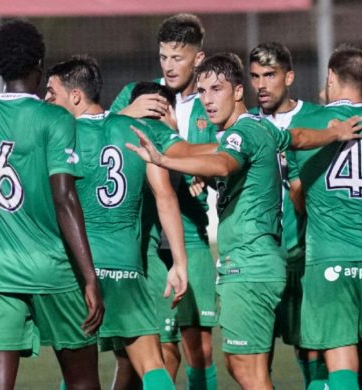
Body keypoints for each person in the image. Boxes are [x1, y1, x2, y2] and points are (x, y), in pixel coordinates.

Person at [126, 52, 362, 390]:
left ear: (238, 92)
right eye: (203, 91)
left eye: (217, 90)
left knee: (246, 370)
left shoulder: (243, 133)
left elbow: (223, 163)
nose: (208, 100)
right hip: (258, 262)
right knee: (247, 367)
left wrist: (163, 159)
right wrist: (332, 134)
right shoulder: (261, 126)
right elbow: (295, 138)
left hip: (249, 264)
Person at [0, 20, 103, 390]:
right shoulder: (55, 119)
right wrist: (89, 275)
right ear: (39, 62)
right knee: (83, 381)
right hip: (53, 269)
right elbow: (64, 197)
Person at [45, 56, 187, 390]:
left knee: (77, 370)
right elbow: (165, 195)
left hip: (80, 271)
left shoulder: (62, 135)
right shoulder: (136, 131)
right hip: (127, 267)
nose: (47, 101)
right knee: (152, 364)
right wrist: (179, 262)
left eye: (52, 94)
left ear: (76, 96)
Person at [288, 44, 362, 389]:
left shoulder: (304, 122)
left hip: (329, 259)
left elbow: (299, 201)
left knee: (340, 363)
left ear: (329, 77)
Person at [110, 14, 220, 389]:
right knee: (153, 347)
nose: (169, 66)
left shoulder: (212, 101)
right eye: (164, 57)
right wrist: (126, 112)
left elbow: (230, 156)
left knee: (200, 349)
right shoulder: (139, 94)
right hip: (144, 240)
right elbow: (101, 133)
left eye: (178, 57)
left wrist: (203, 170)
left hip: (192, 235)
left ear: (198, 58)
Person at [248, 42, 327, 389]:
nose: (261, 84)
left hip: (304, 254)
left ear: (289, 76)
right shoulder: (246, 125)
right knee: (254, 354)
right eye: (254, 77)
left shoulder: (315, 120)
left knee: (311, 347)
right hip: (259, 258)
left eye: (270, 74)